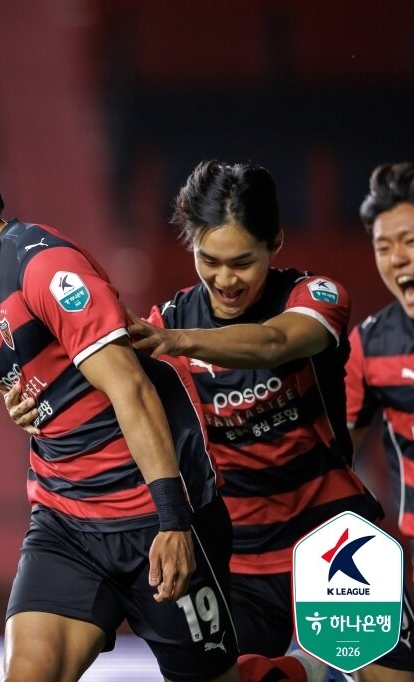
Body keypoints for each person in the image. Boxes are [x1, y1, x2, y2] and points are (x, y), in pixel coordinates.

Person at [0, 115, 239, 682]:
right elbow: (26, 379)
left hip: (155, 519)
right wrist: (18, 402)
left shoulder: (45, 268)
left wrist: (173, 522)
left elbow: (132, 388)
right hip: (66, 523)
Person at [124, 160, 413, 681]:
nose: (225, 280)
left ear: (275, 243)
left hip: (332, 537)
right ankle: (306, 672)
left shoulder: (315, 298)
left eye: (242, 262)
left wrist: (178, 343)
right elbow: (118, 402)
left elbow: (276, 342)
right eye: (208, 260)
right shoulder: (168, 324)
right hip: (237, 559)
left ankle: (314, 666)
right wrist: (31, 402)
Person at [346, 162, 414, 577]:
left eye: (409, 241)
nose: (398, 258)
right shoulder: (370, 346)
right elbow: (335, 459)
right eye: (384, 246)